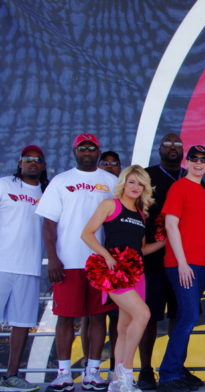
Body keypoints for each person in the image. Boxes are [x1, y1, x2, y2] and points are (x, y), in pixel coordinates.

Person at [36, 133, 118, 392]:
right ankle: (63, 374)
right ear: (74, 151)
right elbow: (49, 224)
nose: (87, 151)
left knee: (97, 317)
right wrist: (53, 258)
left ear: (98, 151)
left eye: (92, 148)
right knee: (65, 318)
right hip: (68, 262)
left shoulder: (112, 182)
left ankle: (92, 372)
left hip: (100, 262)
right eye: (82, 148)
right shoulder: (61, 181)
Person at [81, 165, 165, 392]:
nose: (136, 187)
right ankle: (127, 371)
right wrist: (107, 256)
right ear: (123, 184)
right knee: (143, 314)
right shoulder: (110, 205)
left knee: (125, 326)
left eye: (141, 184)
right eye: (132, 182)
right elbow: (87, 233)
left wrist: (163, 241)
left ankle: (117, 380)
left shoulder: (140, 214)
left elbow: (140, 249)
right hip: (115, 272)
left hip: (136, 273)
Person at [157, 145, 205, 392]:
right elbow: (171, 225)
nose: (198, 163)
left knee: (186, 317)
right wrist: (182, 262)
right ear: (186, 162)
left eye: (203, 160)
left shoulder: (203, 191)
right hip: (184, 264)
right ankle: (168, 374)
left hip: (200, 264)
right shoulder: (179, 187)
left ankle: (177, 369)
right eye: (194, 159)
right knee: (188, 317)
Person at [137, 133, 188, 390]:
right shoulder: (146, 177)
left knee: (180, 316)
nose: (172, 148)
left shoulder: (193, 178)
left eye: (177, 145)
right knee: (150, 317)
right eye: (167, 144)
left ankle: (176, 367)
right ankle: (146, 370)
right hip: (153, 259)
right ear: (159, 149)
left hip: (182, 260)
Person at [0, 145, 48, 392]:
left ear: (42, 165)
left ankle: (11, 376)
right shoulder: (4, 185)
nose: (32, 163)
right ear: (20, 163)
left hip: (29, 268)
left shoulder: (48, 192)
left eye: (37, 160)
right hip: (1, 265)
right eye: (28, 159)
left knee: (21, 323)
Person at [81, 150, 123, 377]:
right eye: (104, 162)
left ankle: (116, 368)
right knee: (93, 317)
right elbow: (86, 232)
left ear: (120, 167)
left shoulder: (124, 192)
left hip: (120, 266)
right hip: (95, 262)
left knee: (118, 320)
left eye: (113, 163)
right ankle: (90, 368)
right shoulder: (92, 188)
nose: (108, 166)